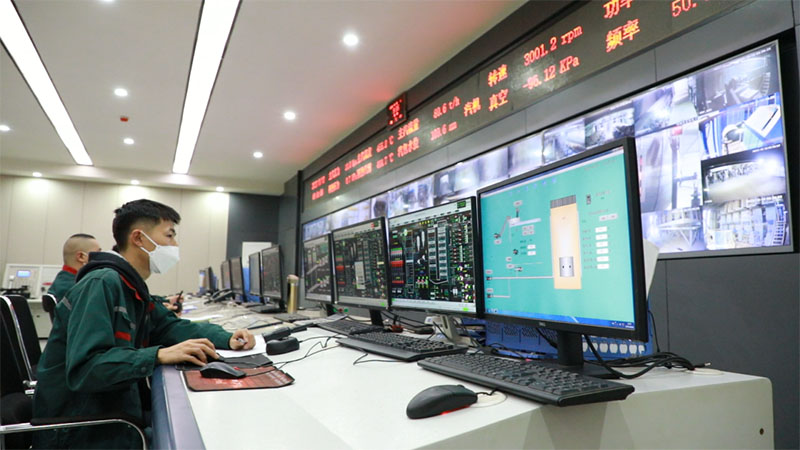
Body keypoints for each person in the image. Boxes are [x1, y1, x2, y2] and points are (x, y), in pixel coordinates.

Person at [32, 199, 255, 449]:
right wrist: (157, 355)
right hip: (81, 429)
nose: (175, 245)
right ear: (139, 238)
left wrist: (227, 338)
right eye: (169, 235)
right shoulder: (101, 283)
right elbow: (86, 369)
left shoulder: (130, 285)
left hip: (111, 414)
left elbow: (169, 327)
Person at [47, 233, 101, 300]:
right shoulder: (79, 289)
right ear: (81, 256)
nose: (101, 257)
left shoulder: (61, 281)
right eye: (98, 253)